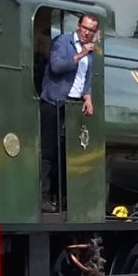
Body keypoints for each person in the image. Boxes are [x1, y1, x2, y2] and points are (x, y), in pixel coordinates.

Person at [38, 14, 98, 212]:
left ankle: (63, 197)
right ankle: (42, 198)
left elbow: (86, 76)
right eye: (85, 28)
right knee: (48, 152)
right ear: (78, 25)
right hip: (53, 102)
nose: (86, 32)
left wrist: (87, 96)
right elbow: (56, 66)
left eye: (91, 30)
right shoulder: (62, 42)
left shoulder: (91, 51)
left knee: (66, 152)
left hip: (72, 106)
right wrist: (80, 54)